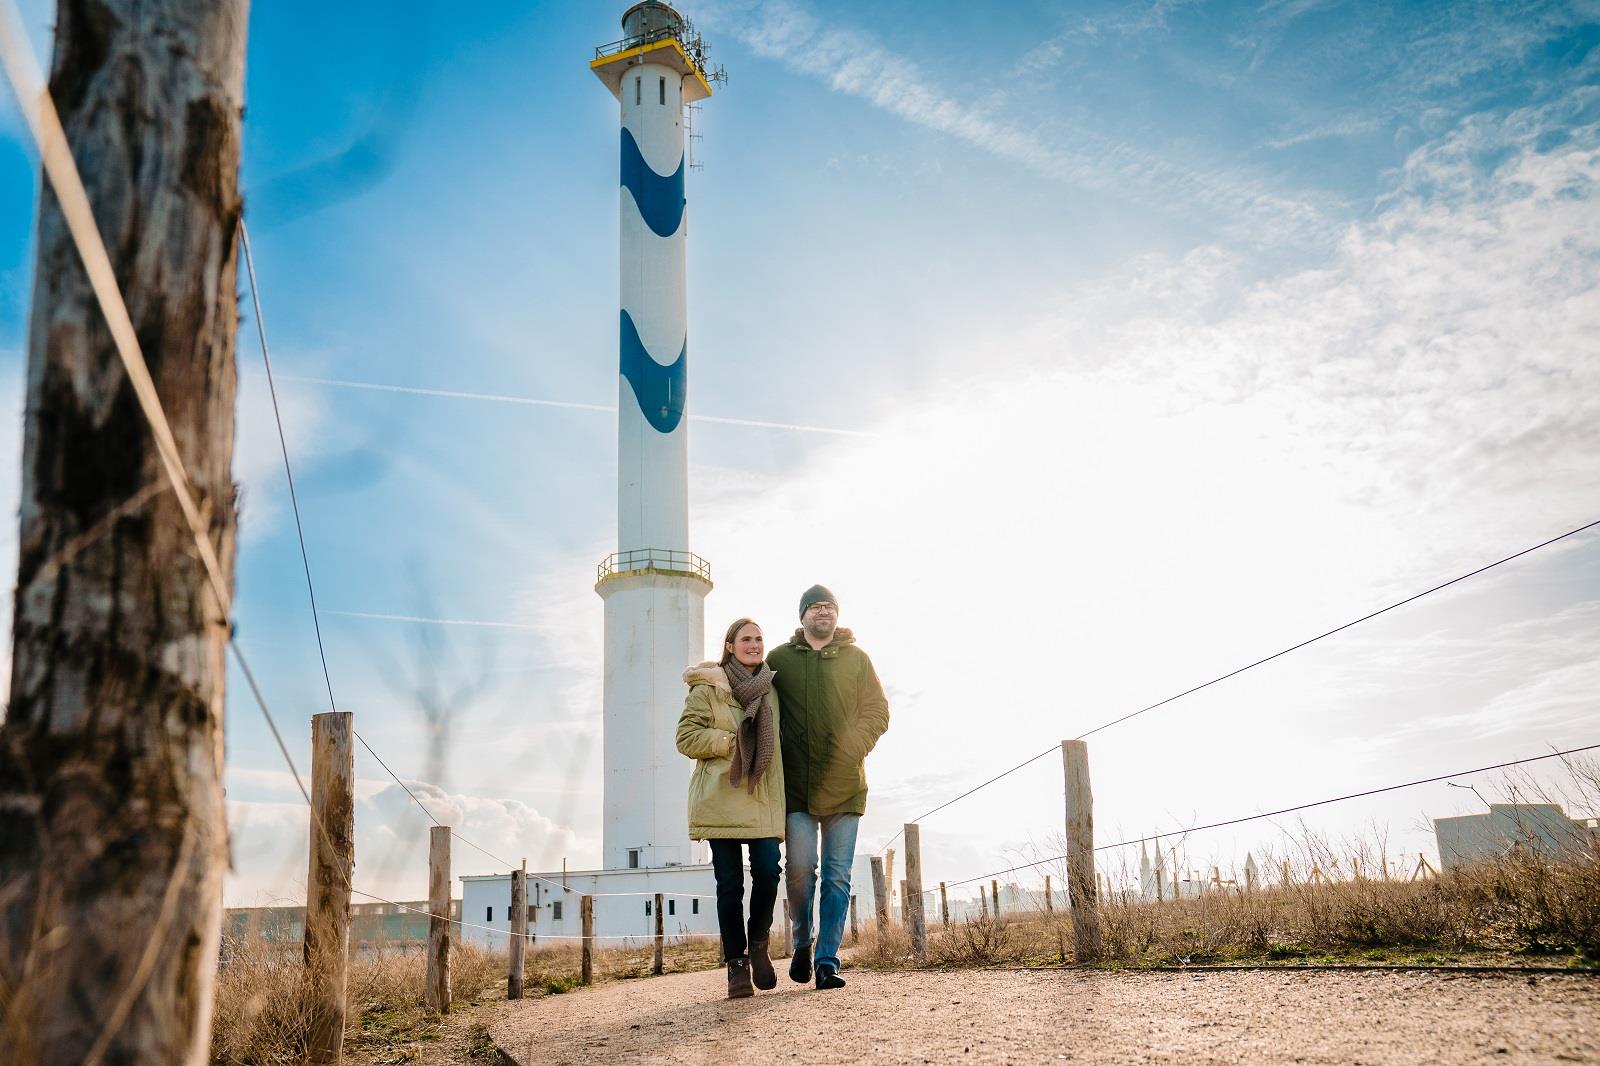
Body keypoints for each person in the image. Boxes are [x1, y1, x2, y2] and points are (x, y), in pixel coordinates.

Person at [769, 585, 889, 990]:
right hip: (797, 788)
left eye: (830, 607)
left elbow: (877, 710)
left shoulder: (857, 659)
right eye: (816, 607)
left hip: (845, 785)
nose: (824, 612)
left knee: (838, 876)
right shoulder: (780, 660)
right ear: (802, 615)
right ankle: (802, 941)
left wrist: (853, 748)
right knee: (801, 870)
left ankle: (827, 960)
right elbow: (752, 694)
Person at [676, 617, 786, 999]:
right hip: (720, 796)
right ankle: (736, 964)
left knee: (770, 870)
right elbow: (686, 737)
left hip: (761, 796)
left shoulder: (771, 688)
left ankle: (758, 942)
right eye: (746, 639)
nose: (754, 644)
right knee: (729, 884)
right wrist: (731, 742)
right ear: (730, 646)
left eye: (759, 638)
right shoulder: (708, 687)